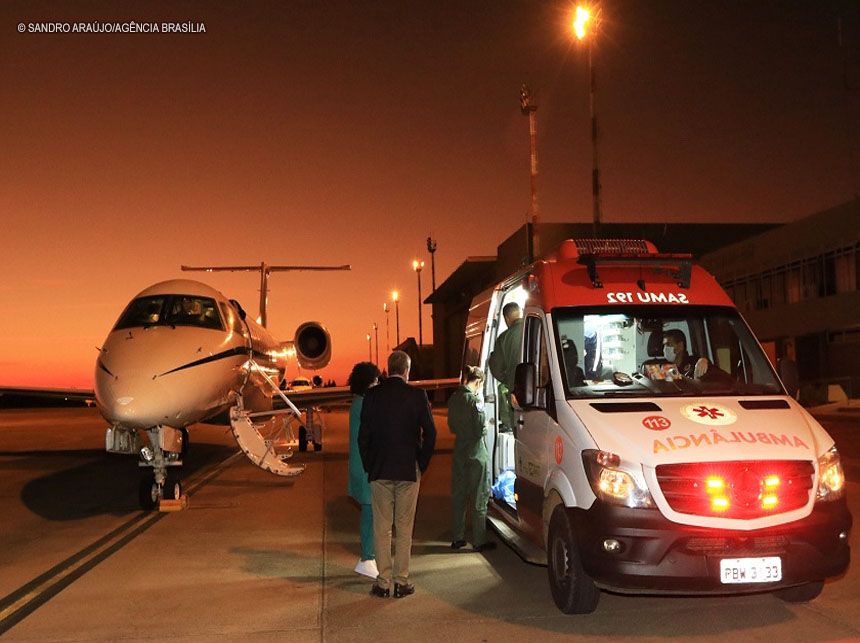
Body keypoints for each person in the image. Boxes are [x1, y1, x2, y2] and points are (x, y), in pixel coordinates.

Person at [358, 350, 436, 599]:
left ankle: (383, 583)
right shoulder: (417, 395)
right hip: (407, 471)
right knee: (404, 528)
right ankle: (402, 581)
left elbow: (363, 436)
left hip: (380, 470)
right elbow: (431, 433)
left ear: (387, 368)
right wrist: (420, 463)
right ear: (407, 370)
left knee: (382, 528)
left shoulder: (372, 396)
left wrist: (370, 464)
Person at [449, 366, 496, 552]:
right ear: (478, 382)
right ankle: (479, 539)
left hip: (459, 450)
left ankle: (457, 538)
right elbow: (480, 429)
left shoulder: (454, 399)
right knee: (479, 496)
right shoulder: (475, 400)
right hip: (476, 452)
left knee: (459, 495)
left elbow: (452, 425)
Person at [347, 361, 381, 579]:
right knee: (370, 513)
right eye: (376, 380)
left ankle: (370, 555)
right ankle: (367, 557)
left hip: (361, 465)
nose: (378, 383)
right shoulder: (364, 404)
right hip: (365, 467)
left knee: (371, 512)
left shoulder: (358, 402)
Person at [488, 302, 524, 429]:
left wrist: (509, 380)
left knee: (519, 434)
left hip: (517, 396)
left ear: (506, 318)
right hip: (540, 396)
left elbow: (496, 369)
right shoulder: (535, 328)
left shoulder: (504, 338)